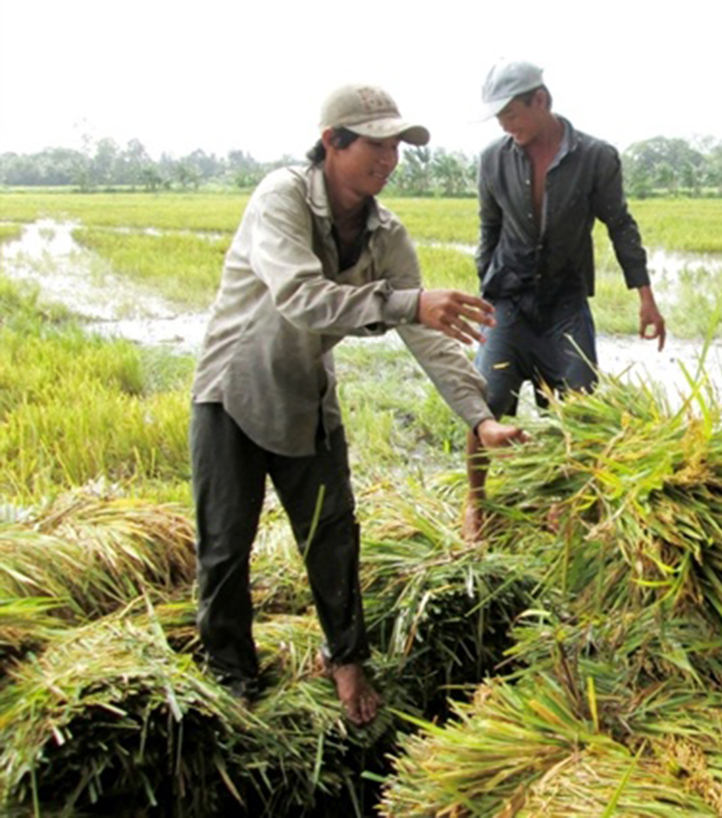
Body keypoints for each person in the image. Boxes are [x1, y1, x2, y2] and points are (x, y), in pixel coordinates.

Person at [190, 83, 525, 725]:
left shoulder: (385, 232)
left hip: (307, 394)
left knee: (334, 538)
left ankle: (346, 660)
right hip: (232, 390)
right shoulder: (281, 198)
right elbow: (303, 297)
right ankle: (233, 678)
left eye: (396, 144)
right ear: (331, 143)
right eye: (375, 143)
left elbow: (428, 332)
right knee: (226, 548)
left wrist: (480, 419)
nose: (390, 157)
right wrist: (407, 302)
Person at [462, 59, 666, 539]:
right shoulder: (493, 159)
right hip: (509, 301)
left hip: (565, 303)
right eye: (498, 119)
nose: (506, 126)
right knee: (484, 400)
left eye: (512, 114)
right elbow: (487, 230)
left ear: (541, 101)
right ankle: (476, 503)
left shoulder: (596, 157)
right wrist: (486, 286)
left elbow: (620, 227)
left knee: (579, 405)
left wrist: (646, 299)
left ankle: (568, 501)